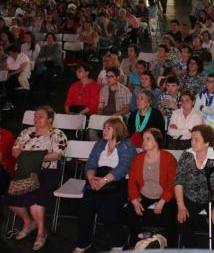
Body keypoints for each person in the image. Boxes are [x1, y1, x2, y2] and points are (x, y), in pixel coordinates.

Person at [5, 106, 67, 251]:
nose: (36, 118)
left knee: (35, 200)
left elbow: (57, 155)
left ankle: (41, 232)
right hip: (25, 170)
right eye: (35, 116)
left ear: (50, 119)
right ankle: (28, 223)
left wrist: (32, 158)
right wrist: (29, 160)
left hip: (47, 171)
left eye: (41, 116)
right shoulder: (26, 132)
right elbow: (15, 151)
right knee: (11, 199)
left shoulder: (58, 134)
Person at [74, 117, 136, 253]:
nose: (104, 131)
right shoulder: (100, 145)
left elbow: (123, 168)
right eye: (104, 128)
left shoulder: (127, 145)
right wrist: (91, 177)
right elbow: (91, 163)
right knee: (85, 208)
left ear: (117, 130)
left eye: (108, 128)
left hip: (118, 183)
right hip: (97, 180)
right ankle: (84, 242)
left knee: (108, 210)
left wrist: (104, 181)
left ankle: (119, 242)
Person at [174, 125, 214, 248]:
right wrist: (180, 204)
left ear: (206, 142)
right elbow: (179, 181)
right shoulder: (186, 155)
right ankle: (191, 249)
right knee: (183, 220)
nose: (192, 142)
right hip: (192, 196)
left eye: (196, 139)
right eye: (191, 139)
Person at [126, 128, 178, 247]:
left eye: (148, 139)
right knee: (130, 211)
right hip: (144, 194)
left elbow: (172, 183)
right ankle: (135, 243)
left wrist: (162, 201)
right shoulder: (138, 159)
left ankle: (172, 246)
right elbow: (132, 182)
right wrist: (134, 199)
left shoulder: (168, 158)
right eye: (143, 139)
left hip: (164, 194)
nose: (144, 142)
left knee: (171, 214)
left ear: (157, 141)